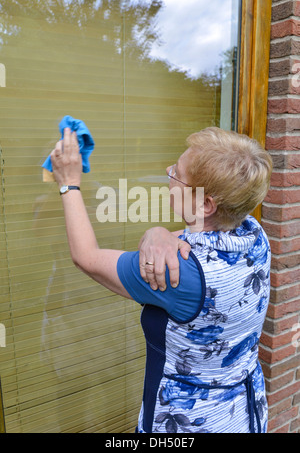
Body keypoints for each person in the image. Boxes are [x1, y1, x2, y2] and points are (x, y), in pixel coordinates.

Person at [50, 126, 273, 433]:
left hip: (190, 424)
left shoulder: (176, 272)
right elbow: (202, 237)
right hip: (243, 413)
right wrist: (156, 232)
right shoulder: (252, 232)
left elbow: (86, 256)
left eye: (176, 174)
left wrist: (69, 183)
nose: (168, 174)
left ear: (206, 204)